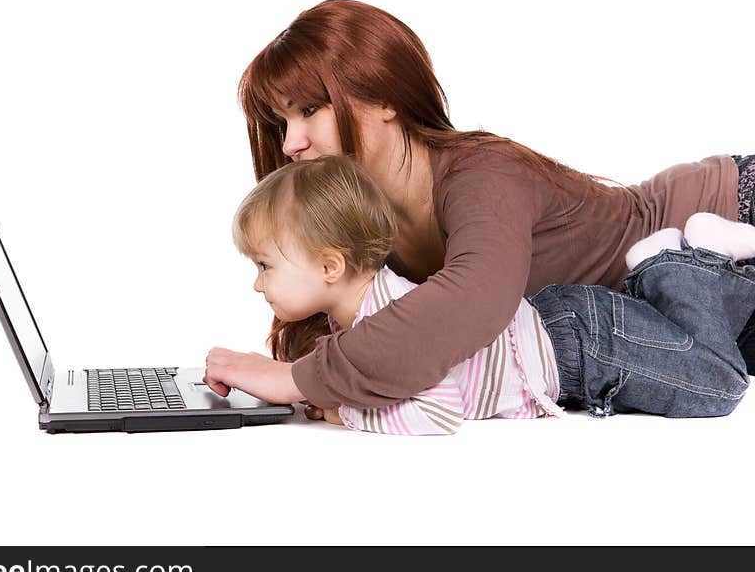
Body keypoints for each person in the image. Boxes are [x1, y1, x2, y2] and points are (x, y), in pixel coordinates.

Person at [202, 0, 755, 418]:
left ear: (385, 97)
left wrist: (300, 380)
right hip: (691, 316)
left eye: (309, 110)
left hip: (726, 210)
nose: (289, 143)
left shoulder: (482, 173)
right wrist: (336, 387)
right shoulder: (363, 225)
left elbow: (474, 302)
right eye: (281, 122)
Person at [206, 155, 754, 433]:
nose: (257, 282)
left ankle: (682, 262)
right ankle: (676, 265)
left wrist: (344, 414)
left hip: (583, 346)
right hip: (573, 335)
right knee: (707, 347)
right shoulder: (356, 321)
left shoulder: (388, 314)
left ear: (330, 265)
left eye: (265, 265)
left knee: (719, 386)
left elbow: (439, 410)